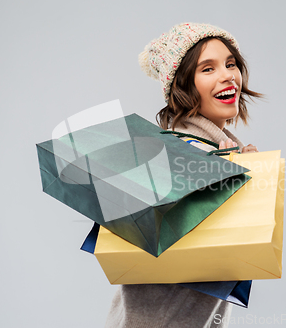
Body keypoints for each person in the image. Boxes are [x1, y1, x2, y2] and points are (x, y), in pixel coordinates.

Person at [105, 22, 262, 328]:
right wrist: (229, 176)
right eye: (208, 69)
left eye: (231, 64)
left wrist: (248, 175)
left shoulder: (212, 148)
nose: (227, 75)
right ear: (183, 86)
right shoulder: (178, 151)